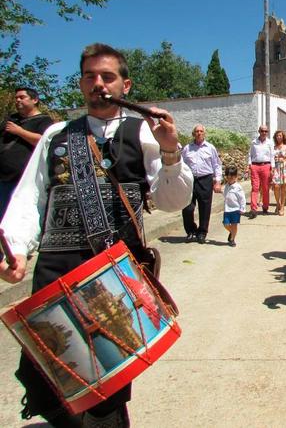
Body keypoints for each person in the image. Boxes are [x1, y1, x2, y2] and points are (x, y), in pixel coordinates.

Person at [0, 43, 193, 427]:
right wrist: (16, 249)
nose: (98, 84)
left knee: (107, 381)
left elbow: (174, 201)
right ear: (81, 83)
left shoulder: (145, 132)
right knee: (50, 376)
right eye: (90, 76)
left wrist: (171, 151)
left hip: (113, 274)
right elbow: (31, 197)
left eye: (108, 77)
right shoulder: (57, 134)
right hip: (56, 271)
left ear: (126, 85)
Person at [0, 87, 54, 220]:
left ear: (34, 100)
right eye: (16, 98)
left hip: (24, 179)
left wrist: (19, 131)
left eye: (22, 97)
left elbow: (45, 141)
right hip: (4, 177)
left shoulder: (44, 120)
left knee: (19, 219)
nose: (18, 100)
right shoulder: (12, 119)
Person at [181, 124, 223, 244]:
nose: (199, 133)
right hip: (189, 180)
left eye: (201, 131)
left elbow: (217, 165)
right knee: (187, 207)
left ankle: (202, 232)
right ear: (193, 134)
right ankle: (190, 231)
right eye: (197, 131)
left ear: (204, 133)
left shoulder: (210, 148)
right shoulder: (187, 148)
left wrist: (218, 181)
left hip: (206, 179)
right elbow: (181, 165)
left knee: (205, 208)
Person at [248, 124, 273, 217]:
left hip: (266, 165)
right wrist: (250, 165)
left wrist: (272, 168)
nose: (264, 133)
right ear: (259, 131)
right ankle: (253, 209)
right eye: (262, 131)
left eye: (266, 131)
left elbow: (272, 155)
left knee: (265, 187)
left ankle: (265, 206)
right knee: (255, 187)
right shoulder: (254, 142)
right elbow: (250, 154)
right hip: (255, 166)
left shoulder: (270, 143)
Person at [222, 165, 246, 247]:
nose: (229, 178)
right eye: (228, 176)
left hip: (235, 209)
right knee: (226, 224)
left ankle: (232, 239)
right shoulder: (226, 186)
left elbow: (242, 198)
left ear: (235, 177)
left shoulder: (238, 187)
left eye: (231, 176)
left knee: (234, 225)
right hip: (227, 209)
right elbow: (225, 194)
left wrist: (242, 208)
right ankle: (232, 232)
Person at [271, 130, 286, 216]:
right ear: (275, 137)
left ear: (283, 137)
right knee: (275, 186)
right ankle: (278, 203)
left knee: (283, 187)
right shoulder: (273, 147)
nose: (279, 137)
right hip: (275, 168)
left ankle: (282, 206)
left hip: (284, 168)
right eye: (277, 136)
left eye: (280, 135)